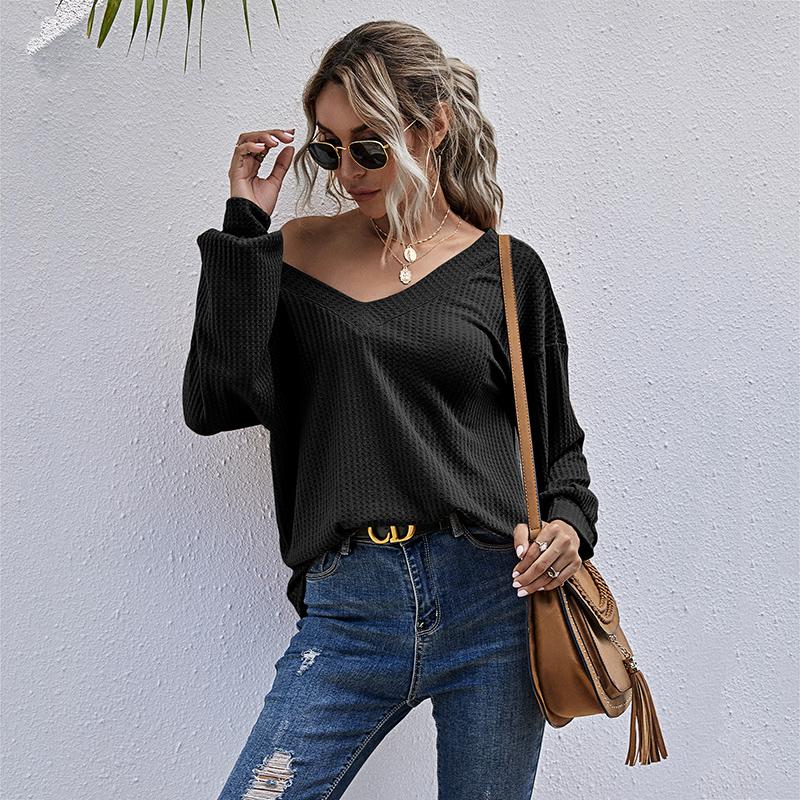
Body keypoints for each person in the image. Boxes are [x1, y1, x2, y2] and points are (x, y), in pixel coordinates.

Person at [182, 19, 600, 800]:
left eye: (369, 147)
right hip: (352, 608)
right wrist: (245, 227)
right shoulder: (294, 253)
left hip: (496, 601)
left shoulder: (507, 270)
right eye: (329, 149)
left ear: (433, 127)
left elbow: (559, 451)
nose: (348, 172)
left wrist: (568, 528)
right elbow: (216, 401)